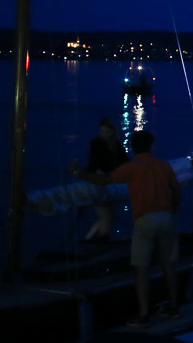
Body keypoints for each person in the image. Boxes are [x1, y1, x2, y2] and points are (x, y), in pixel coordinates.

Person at [73, 129, 181, 327]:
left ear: (132, 147)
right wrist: (172, 212)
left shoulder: (131, 168)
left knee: (141, 269)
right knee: (168, 266)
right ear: (151, 145)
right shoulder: (164, 166)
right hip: (166, 217)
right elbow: (176, 190)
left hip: (145, 220)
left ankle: (144, 314)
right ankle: (174, 307)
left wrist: (79, 172)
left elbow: (104, 180)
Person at [73, 117, 129, 242]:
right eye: (102, 131)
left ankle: (90, 239)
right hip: (98, 181)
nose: (104, 134)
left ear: (113, 132)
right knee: (106, 216)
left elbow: (124, 161)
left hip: (111, 181)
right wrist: (88, 176)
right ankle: (101, 240)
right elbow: (93, 162)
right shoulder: (96, 143)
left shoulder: (117, 145)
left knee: (110, 215)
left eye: (106, 131)